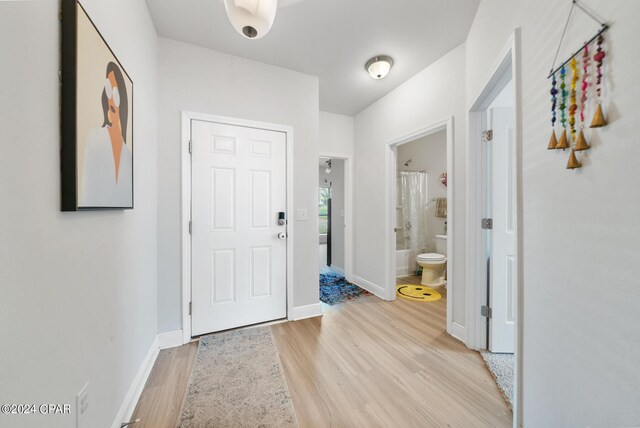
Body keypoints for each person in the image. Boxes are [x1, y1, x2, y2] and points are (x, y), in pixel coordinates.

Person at [79, 61, 132, 207]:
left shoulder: (127, 154)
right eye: (108, 88)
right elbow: (86, 191)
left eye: (115, 93)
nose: (110, 100)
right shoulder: (95, 137)